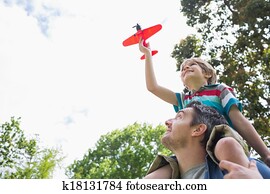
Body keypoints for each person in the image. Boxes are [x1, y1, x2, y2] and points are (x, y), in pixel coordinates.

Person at [138, 38, 270, 176]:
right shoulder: (183, 99)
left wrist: (265, 153)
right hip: (191, 150)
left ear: (207, 73)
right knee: (156, 175)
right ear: (183, 82)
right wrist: (148, 54)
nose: (186, 68)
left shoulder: (220, 90)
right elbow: (153, 87)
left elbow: (239, 120)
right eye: (183, 69)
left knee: (225, 146)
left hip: (220, 138)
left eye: (192, 64)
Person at [144, 101, 270, 179]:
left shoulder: (247, 169)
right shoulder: (161, 178)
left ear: (198, 130)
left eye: (179, 117)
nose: (167, 122)